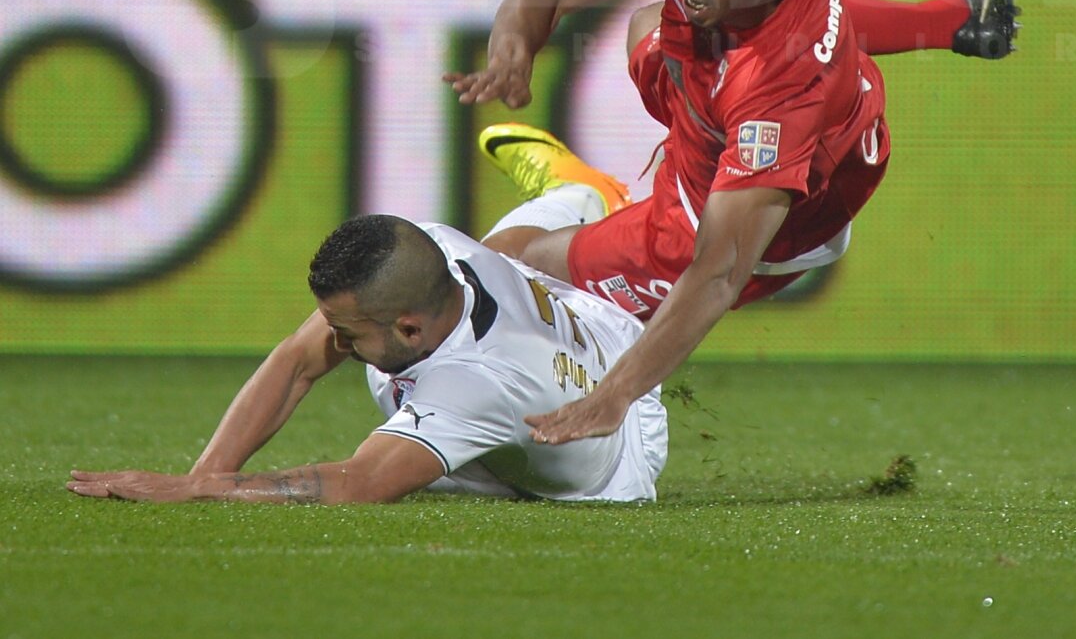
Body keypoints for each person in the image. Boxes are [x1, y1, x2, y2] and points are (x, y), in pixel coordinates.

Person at [445, 0, 1022, 446]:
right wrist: (512, 45)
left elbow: (718, 273)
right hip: (829, 116)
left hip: (768, 219)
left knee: (517, 264)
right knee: (647, 22)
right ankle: (958, 20)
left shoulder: (778, 90)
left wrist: (613, 398)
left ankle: (594, 199)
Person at [66, 216, 666, 504]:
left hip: (613, 463)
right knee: (510, 246)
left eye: (346, 333)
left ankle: (600, 198)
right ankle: (580, 192)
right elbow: (296, 362)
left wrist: (196, 493)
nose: (333, 344)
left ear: (408, 326)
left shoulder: (475, 385)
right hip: (581, 327)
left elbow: (362, 481)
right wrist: (204, 471)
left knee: (522, 249)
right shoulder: (428, 252)